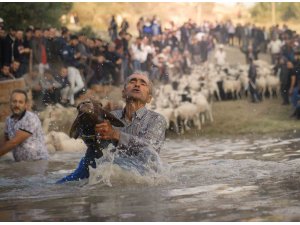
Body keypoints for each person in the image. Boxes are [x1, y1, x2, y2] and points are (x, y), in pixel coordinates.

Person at [57, 71, 167, 183]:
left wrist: (115, 134)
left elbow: (150, 149)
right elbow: (94, 145)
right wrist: (88, 123)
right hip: (104, 168)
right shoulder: (112, 115)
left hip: (138, 173)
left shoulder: (156, 120)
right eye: (132, 81)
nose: (137, 84)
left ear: (149, 98)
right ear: (123, 93)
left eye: (143, 83)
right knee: (61, 185)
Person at [0, 89, 49, 161]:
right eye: (14, 101)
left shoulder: (30, 118)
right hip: (21, 164)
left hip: (37, 163)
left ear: (26, 105)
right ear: (10, 103)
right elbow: (5, 142)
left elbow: (14, 142)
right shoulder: (9, 120)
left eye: (20, 102)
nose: (17, 105)